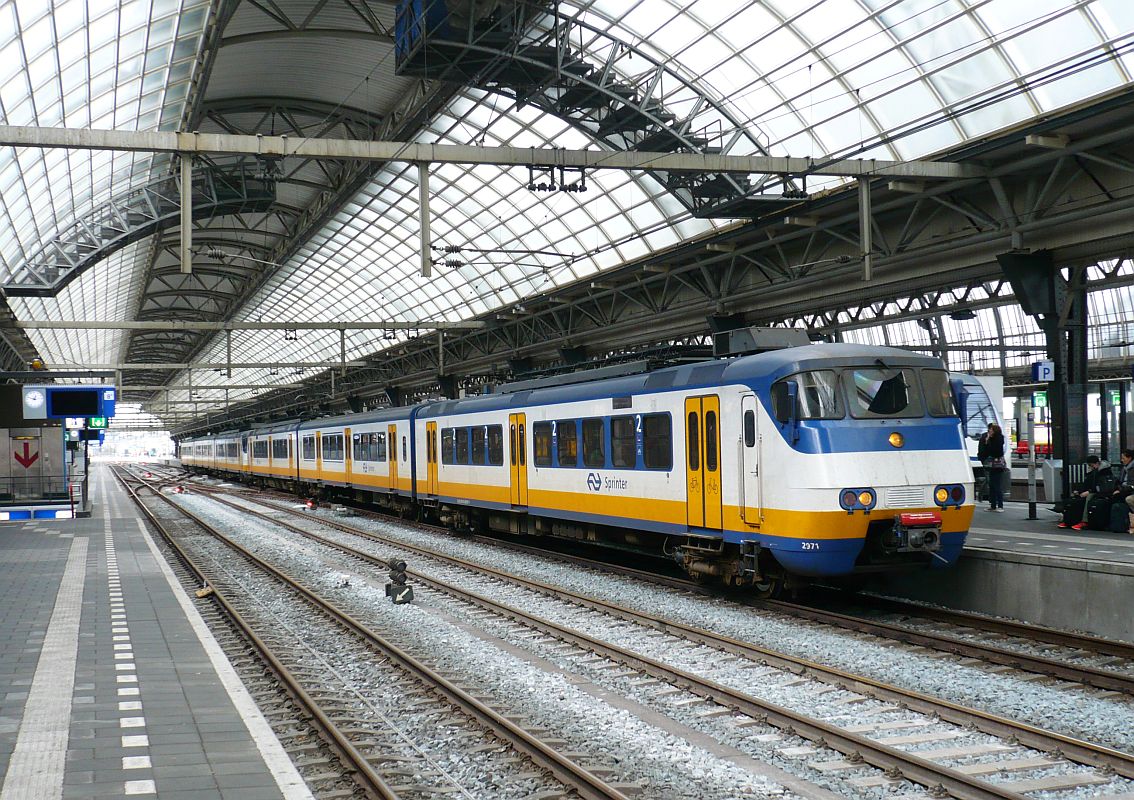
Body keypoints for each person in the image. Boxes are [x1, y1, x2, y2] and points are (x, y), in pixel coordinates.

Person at [1058, 454, 1109, 530]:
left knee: (1087, 498)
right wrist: (1079, 491)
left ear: (1096, 464)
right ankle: (1069, 520)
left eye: (1090, 465)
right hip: (1089, 491)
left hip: (1098, 493)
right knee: (1073, 500)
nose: (1089, 467)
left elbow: (1101, 486)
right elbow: (1087, 484)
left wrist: (1089, 491)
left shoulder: (1104, 472)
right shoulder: (1092, 473)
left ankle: (1085, 521)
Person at [977, 422, 1007, 511]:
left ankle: (1000, 505)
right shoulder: (989, 439)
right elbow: (986, 451)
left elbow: (997, 452)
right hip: (991, 465)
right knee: (992, 485)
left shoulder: (998, 439)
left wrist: (988, 443)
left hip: (997, 465)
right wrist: (987, 442)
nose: (989, 431)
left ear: (994, 431)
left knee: (997, 485)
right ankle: (993, 505)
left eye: (991, 430)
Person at [1114, 448, 1134, 534]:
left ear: (1129, 458)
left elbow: (1131, 485)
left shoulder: (1132, 469)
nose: (1122, 460)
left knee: (1128, 499)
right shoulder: (1125, 468)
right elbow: (1120, 481)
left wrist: (1121, 490)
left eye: (1123, 458)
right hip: (1125, 490)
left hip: (1130, 491)